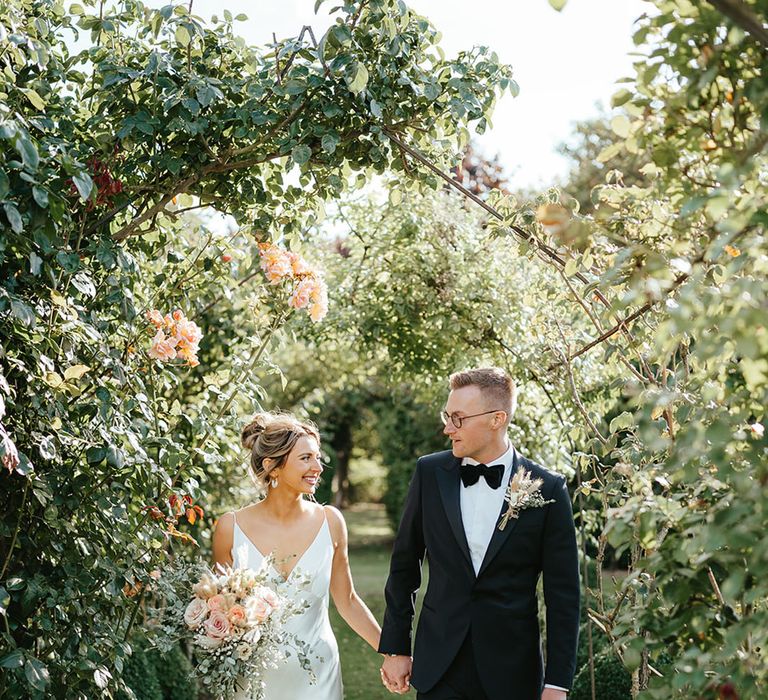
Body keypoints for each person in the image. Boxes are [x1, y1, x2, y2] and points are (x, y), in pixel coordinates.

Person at [378, 367, 580, 699]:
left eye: (458, 418)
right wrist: (396, 648)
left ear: (496, 419)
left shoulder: (548, 488)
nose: (447, 428)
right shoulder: (430, 473)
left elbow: (564, 595)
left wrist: (557, 684)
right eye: (447, 416)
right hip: (439, 666)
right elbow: (404, 565)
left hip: (512, 671)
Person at [212, 411, 381, 700]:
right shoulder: (230, 527)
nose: (318, 467)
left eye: (317, 457)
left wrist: (393, 652)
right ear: (272, 467)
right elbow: (219, 609)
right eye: (306, 458)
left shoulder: (331, 521)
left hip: (318, 676)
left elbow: (348, 600)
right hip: (252, 680)